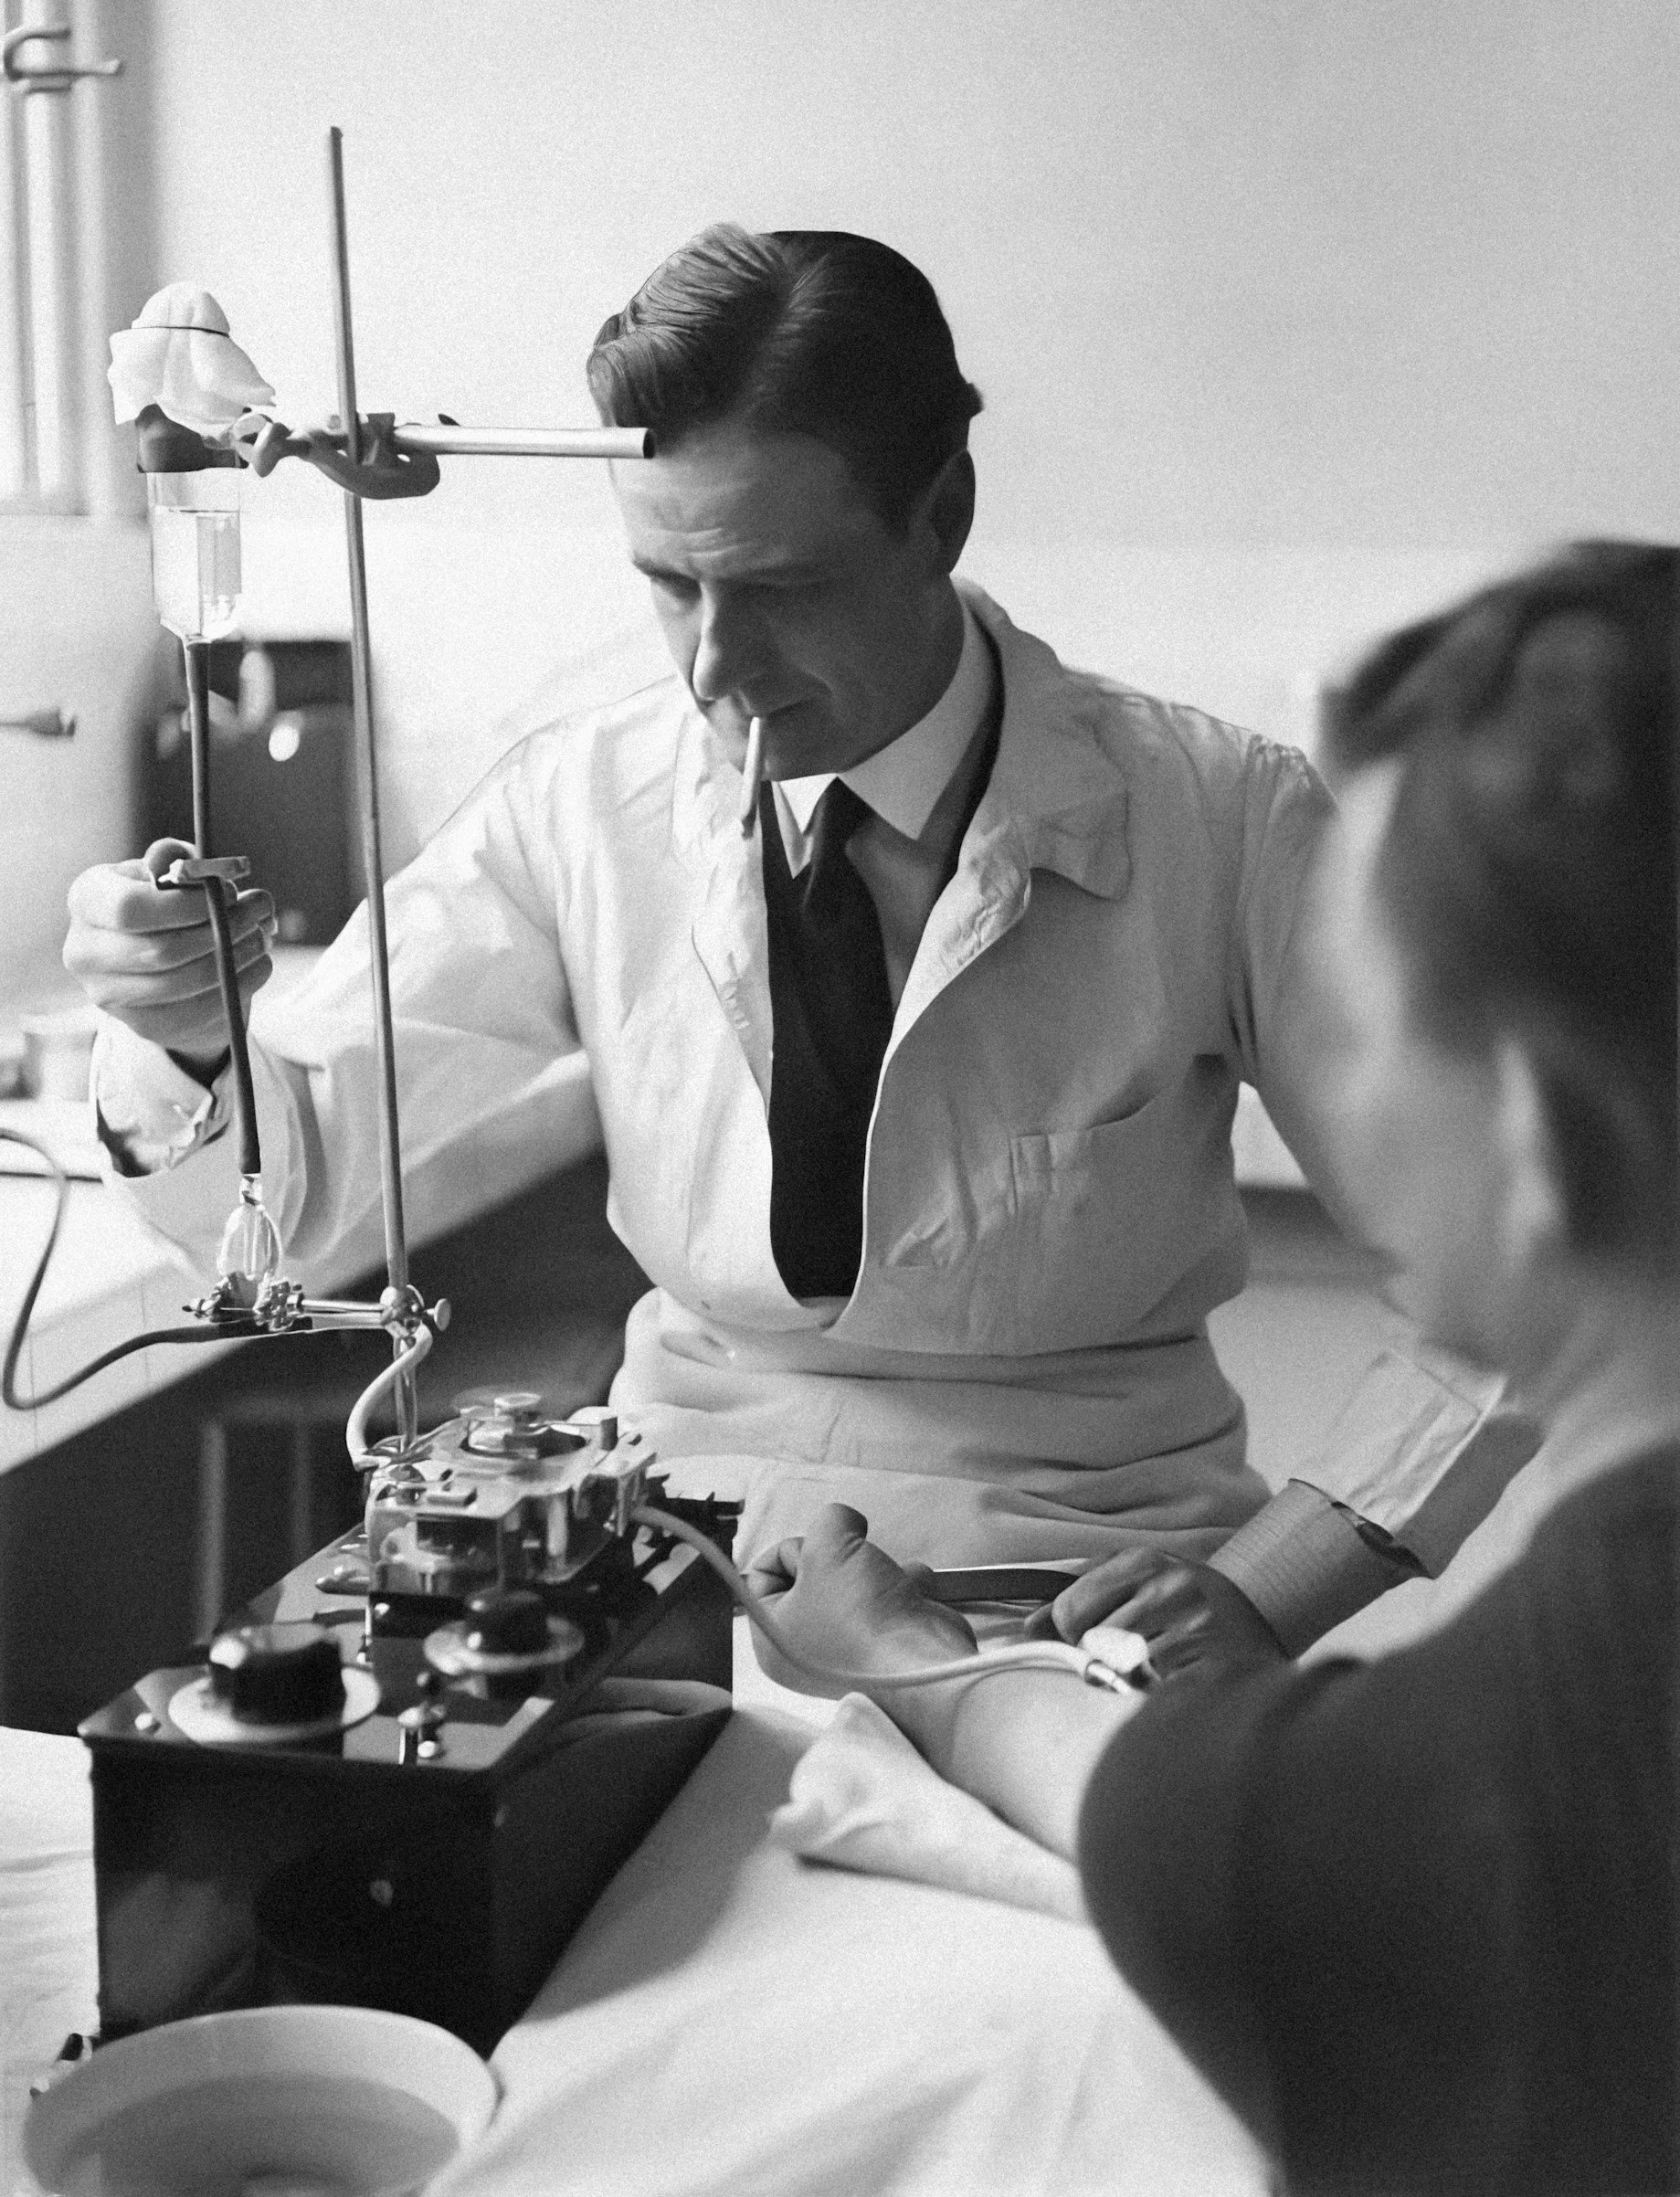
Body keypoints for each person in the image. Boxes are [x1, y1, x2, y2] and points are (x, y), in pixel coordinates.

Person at [67, 227, 1523, 1656]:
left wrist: (1271, 1586)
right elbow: (291, 1202)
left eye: (778, 588)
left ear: (940, 517)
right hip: (667, 1575)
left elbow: (1533, 1267)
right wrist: (185, 1033)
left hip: (1068, 1590)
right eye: (668, 584)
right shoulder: (578, 805)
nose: (714, 665)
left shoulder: (1224, 820)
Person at [745, 541, 1678, 2193]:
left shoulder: (1461, 1799)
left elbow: (1169, 1812)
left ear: (1530, 1138)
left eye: (1358, 1006)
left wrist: (905, 1655)